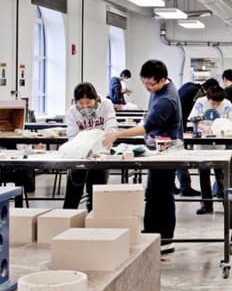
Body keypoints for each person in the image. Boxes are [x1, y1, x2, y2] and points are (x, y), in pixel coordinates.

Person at [101, 60, 183, 254]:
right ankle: (153, 235)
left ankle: (164, 239)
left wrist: (117, 134)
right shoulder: (160, 89)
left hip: (167, 150)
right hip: (158, 148)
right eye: (144, 83)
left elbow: (146, 127)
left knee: (162, 195)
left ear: (163, 79)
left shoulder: (166, 99)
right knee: (154, 194)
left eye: (151, 84)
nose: (148, 88)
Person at [62, 83, 118, 211]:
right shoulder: (72, 111)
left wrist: (103, 145)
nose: (85, 107)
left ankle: (94, 222)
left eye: (88, 103)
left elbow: (111, 127)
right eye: (81, 104)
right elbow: (72, 136)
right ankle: (66, 220)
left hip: (100, 154)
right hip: (80, 155)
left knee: (96, 193)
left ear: (95, 99)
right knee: (73, 192)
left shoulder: (106, 105)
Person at [189, 85, 232, 215]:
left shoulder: (227, 104)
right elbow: (193, 120)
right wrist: (203, 127)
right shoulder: (200, 102)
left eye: (218, 103)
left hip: (220, 146)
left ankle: (229, 205)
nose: (215, 106)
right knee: (204, 176)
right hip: (203, 146)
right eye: (213, 102)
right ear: (208, 98)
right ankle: (206, 204)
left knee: (222, 177)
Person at [174, 80, 203, 197]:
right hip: (176, 126)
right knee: (180, 156)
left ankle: (174, 186)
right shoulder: (197, 92)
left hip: (176, 123)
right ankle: (185, 187)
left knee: (173, 156)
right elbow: (193, 113)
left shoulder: (189, 86)